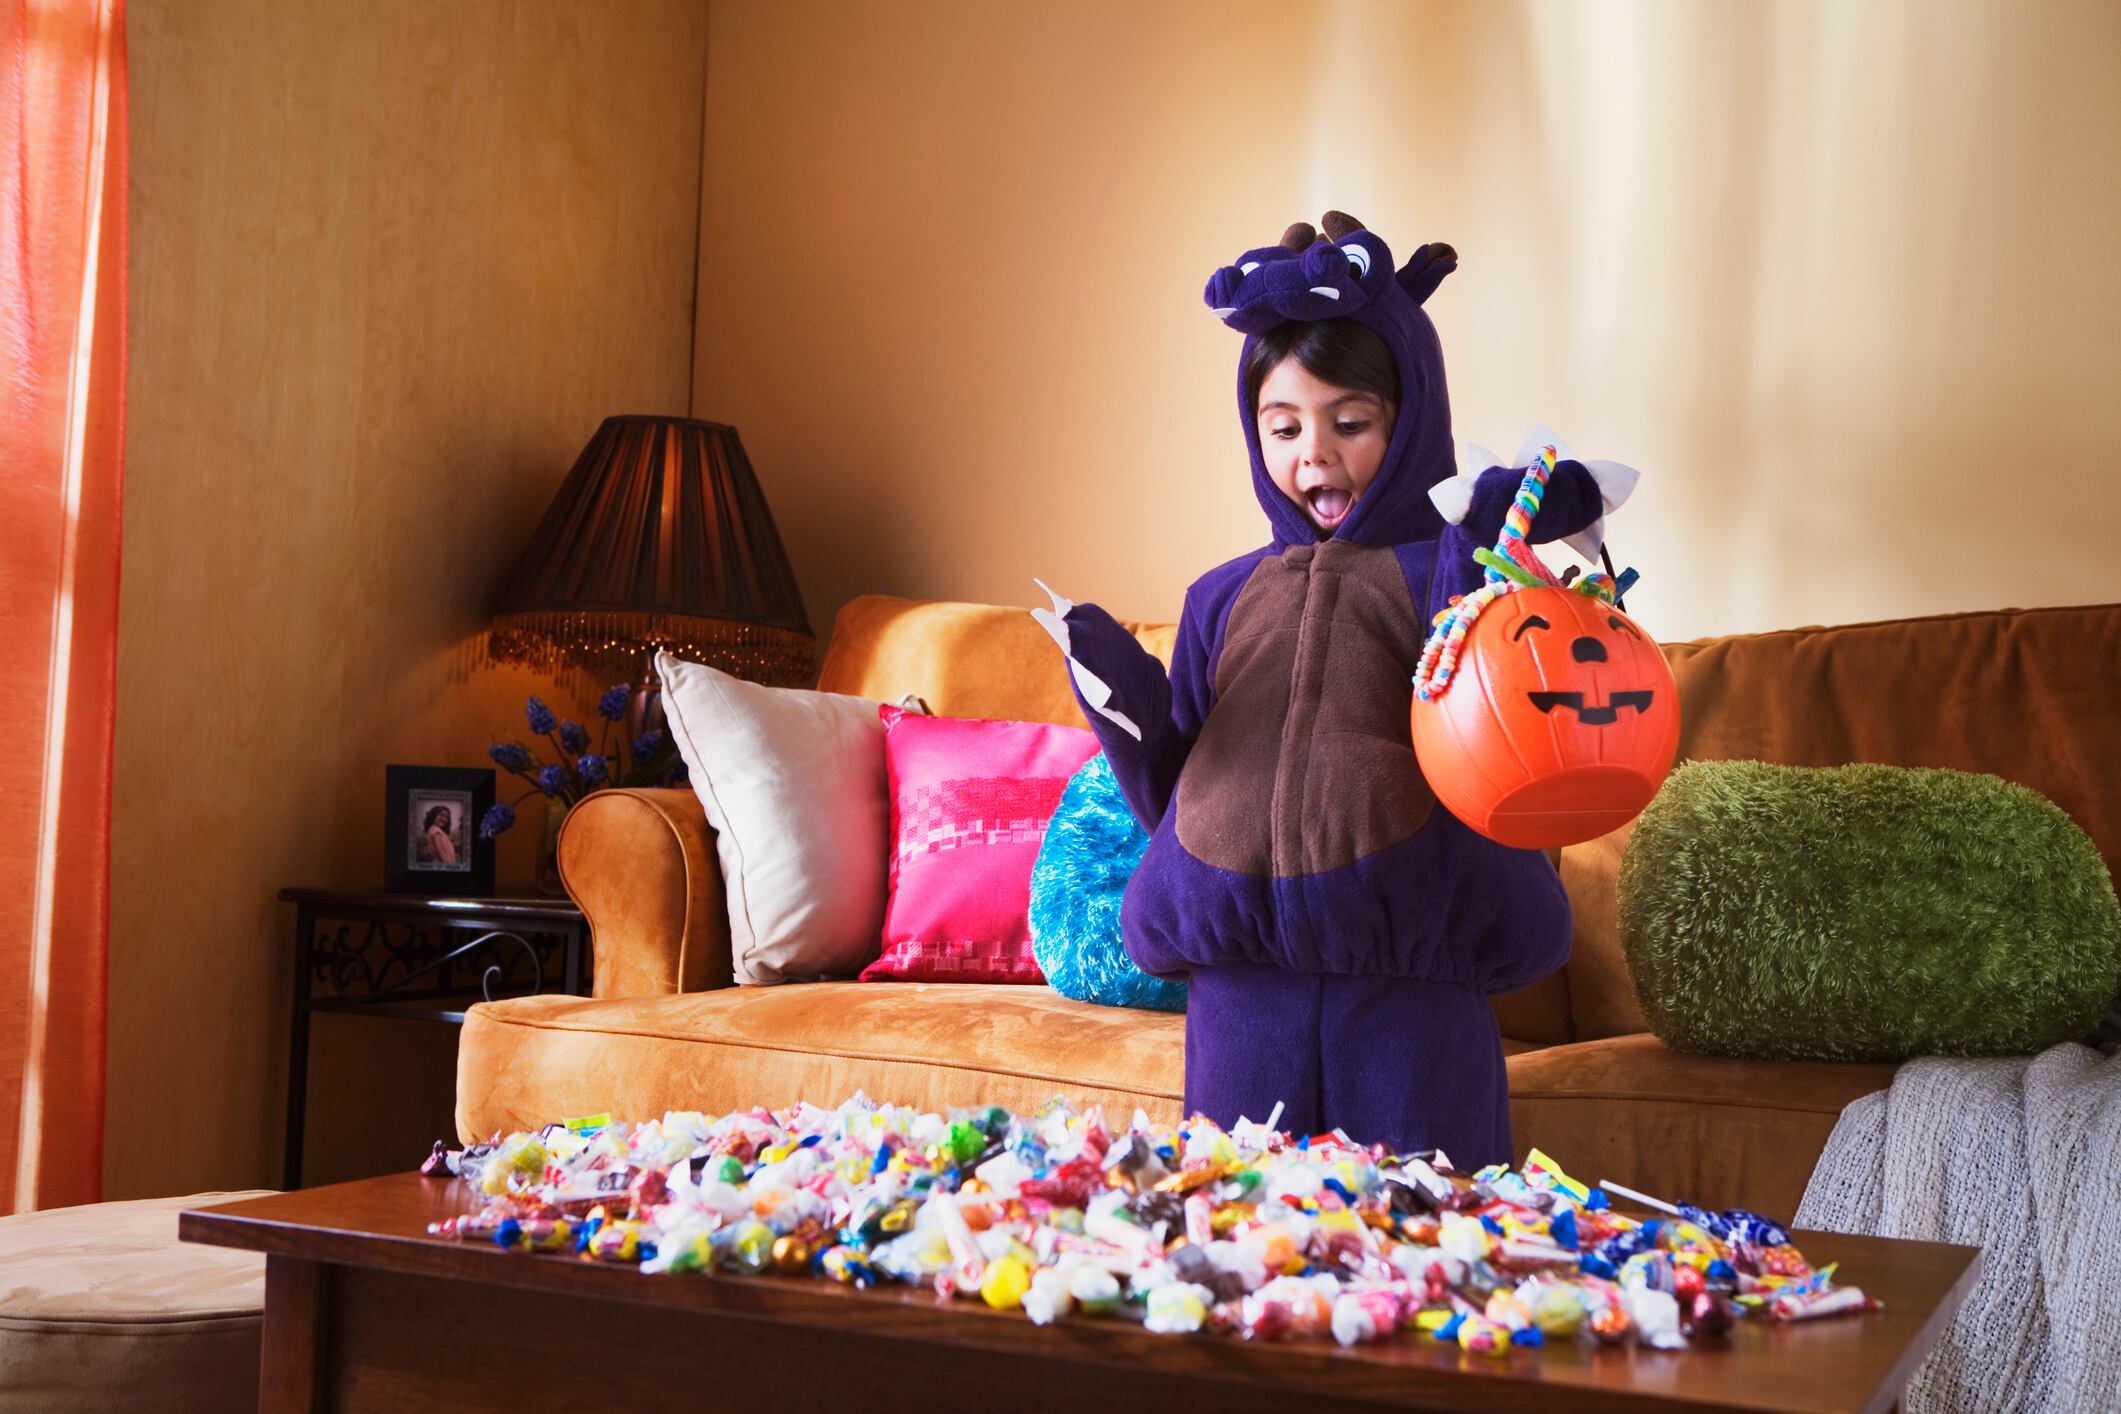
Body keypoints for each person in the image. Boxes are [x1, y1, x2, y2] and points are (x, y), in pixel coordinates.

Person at [1039, 213, 1624, 1166]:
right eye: (1283, 427)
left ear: (1409, 421)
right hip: (1238, 995)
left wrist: (1485, 560)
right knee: (1236, 1238)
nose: (1313, 453)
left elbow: (1508, 732)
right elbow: (1180, 792)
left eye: (1349, 423)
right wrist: (1128, 720)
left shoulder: (1455, 566)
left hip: (1408, 984)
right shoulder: (1218, 597)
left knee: (1425, 1240)